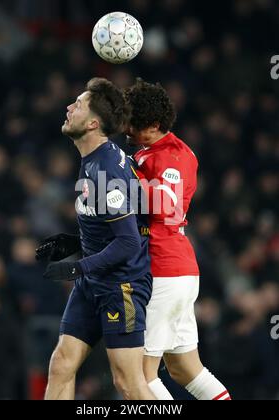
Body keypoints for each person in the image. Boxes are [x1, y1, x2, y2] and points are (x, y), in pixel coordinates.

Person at [36, 78, 156, 400]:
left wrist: (79, 267)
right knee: (61, 364)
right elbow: (112, 226)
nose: (68, 107)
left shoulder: (104, 170)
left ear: (92, 123)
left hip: (122, 286)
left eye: (77, 104)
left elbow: (129, 241)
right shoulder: (96, 159)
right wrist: (73, 243)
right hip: (94, 282)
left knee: (128, 384)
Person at [124, 78, 231, 401]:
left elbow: (165, 205)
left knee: (139, 376)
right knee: (185, 369)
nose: (127, 129)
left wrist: (125, 178)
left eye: (134, 124)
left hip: (164, 270)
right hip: (177, 270)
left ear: (154, 124)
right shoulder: (155, 151)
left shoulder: (172, 156)